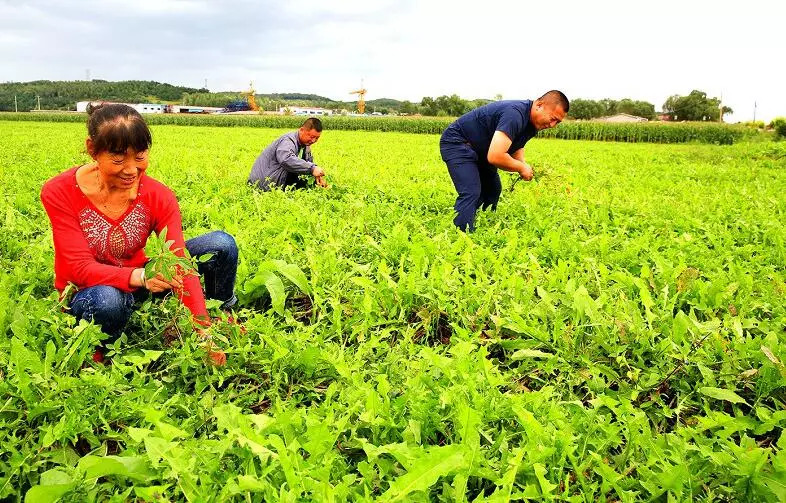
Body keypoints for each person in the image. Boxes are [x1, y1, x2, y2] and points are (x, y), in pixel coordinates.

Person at [40, 103, 238, 364]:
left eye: (140, 156)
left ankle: (220, 314)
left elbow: (178, 259)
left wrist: (203, 332)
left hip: (140, 280)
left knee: (221, 244)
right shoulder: (60, 191)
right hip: (90, 291)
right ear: (92, 149)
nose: (131, 169)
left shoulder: (158, 195)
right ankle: (98, 353)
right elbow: (78, 268)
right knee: (108, 301)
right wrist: (142, 276)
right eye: (118, 159)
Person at [440, 90, 569, 231]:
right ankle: (460, 234)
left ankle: (484, 225)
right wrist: (521, 168)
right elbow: (495, 156)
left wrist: (523, 164)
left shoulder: (533, 124)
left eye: (557, 122)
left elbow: (516, 145)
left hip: (481, 149)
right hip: (458, 142)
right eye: (553, 118)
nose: (553, 125)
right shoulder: (515, 115)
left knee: (492, 190)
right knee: (471, 192)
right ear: (539, 105)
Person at [247, 117, 327, 190]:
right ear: (302, 130)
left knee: (306, 186)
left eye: (317, 138)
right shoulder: (288, 140)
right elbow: (286, 159)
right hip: (263, 182)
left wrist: (317, 177)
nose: (313, 140)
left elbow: (308, 163)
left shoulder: (306, 145)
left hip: (275, 178)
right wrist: (312, 169)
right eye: (311, 137)